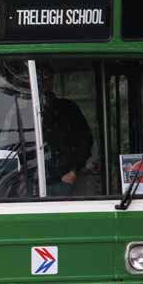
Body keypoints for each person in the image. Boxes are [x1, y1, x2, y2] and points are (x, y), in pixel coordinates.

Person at [38, 66, 92, 196]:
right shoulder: (22, 111)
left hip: (63, 180)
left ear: (52, 80)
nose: (43, 83)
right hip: (32, 182)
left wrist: (74, 171)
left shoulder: (68, 108)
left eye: (46, 78)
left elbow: (86, 140)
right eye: (39, 79)